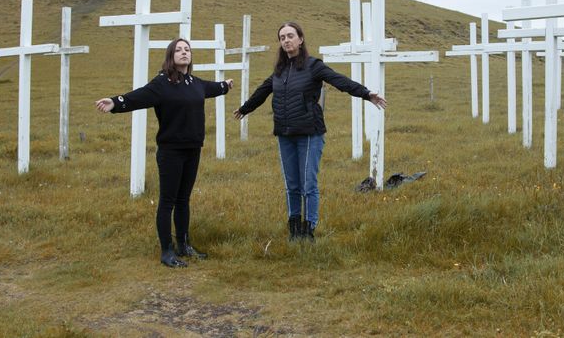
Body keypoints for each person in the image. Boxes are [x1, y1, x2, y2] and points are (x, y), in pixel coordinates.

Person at [233, 22, 386, 241]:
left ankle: (309, 228)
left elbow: (340, 81)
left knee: (308, 183)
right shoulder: (279, 71)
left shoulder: (314, 66)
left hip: (309, 133)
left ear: (300, 39)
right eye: (282, 37)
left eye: (290, 36)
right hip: (285, 134)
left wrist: (366, 94)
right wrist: (245, 109)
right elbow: (262, 92)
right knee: (292, 184)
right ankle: (294, 227)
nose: (286, 40)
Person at [95, 38, 233, 268]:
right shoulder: (162, 83)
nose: (183, 53)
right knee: (168, 201)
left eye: (187, 49)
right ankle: (167, 251)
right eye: (178, 50)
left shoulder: (194, 82)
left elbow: (211, 88)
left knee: (183, 200)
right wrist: (115, 102)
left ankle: (184, 245)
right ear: (171, 56)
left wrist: (225, 86)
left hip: (193, 150)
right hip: (171, 152)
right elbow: (138, 96)